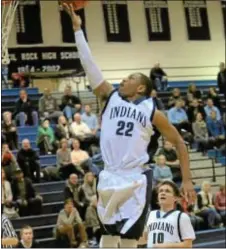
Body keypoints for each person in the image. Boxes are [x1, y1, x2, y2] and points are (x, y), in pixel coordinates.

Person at [64, 4, 195, 248]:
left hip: (135, 177)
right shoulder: (110, 96)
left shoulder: (153, 112)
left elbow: (178, 142)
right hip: (109, 174)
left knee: (128, 238)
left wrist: (186, 180)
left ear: (141, 88)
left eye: (130, 78)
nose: (123, 80)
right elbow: (89, 65)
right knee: (107, 235)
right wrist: (78, 31)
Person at [144, 180, 196, 248]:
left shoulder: (181, 216)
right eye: (161, 191)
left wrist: (166, 246)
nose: (163, 193)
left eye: (167, 191)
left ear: (175, 198)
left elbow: (188, 245)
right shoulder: (150, 214)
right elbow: (144, 240)